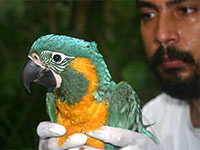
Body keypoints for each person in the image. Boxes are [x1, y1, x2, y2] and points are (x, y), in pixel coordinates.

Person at [37, 0, 200, 149]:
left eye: (186, 10)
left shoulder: (120, 101)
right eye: (148, 15)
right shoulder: (154, 115)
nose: (161, 35)